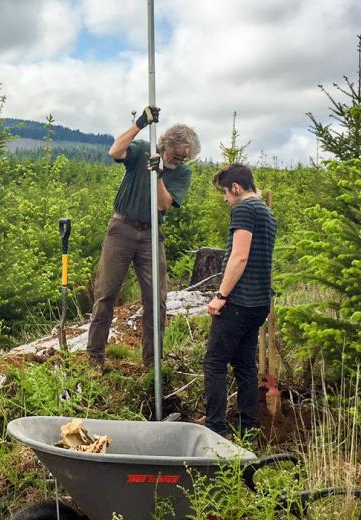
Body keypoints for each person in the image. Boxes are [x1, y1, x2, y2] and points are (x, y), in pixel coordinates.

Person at [86, 106, 200, 368]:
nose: (181, 160)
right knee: (106, 295)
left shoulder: (181, 173)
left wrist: (159, 175)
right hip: (121, 230)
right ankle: (94, 358)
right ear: (166, 144)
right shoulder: (141, 150)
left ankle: (152, 364)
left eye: (186, 158)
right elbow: (114, 151)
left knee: (156, 300)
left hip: (151, 235)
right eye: (178, 155)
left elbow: (164, 205)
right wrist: (139, 124)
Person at [204, 163, 277, 437]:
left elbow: (240, 256)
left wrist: (221, 296)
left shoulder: (245, 209)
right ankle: (248, 428)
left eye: (225, 192)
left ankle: (214, 429)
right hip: (259, 303)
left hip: (240, 302)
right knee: (245, 364)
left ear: (236, 187)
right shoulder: (267, 213)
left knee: (215, 362)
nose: (225, 198)